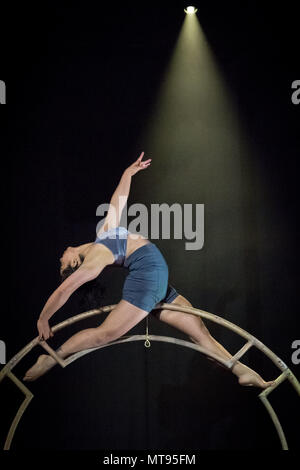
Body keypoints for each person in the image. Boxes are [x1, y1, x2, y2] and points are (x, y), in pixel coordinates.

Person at [23, 153, 275, 389]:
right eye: (62, 263)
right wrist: (43, 318)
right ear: (75, 264)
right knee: (105, 334)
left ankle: (241, 369)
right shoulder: (93, 261)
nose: (60, 257)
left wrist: (128, 174)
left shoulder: (102, 236)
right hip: (148, 276)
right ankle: (51, 358)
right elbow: (65, 289)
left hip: (155, 276)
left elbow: (117, 202)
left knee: (200, 332)